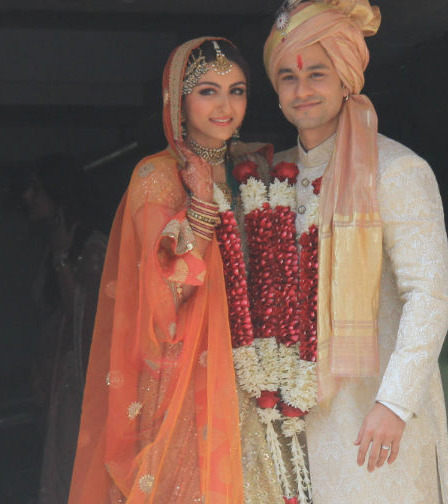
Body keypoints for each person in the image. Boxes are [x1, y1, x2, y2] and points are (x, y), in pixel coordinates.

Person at [68, 37, 282, 504]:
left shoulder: (255, 170)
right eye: (208, 91)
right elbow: (165, 291)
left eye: (237, 91)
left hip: (256, 373)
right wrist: (201, 204)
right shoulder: (159, 175)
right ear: (178, 101)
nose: (225, 106)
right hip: (186, 378)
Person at [261, 1, 448, 502]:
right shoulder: (270, 176)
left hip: (376, 425)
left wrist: (395, 403)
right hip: (290, 427)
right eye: (287, 77)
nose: (301, 90)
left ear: (346, 77)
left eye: (317, 74)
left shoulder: (395, 171)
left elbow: (429, 296)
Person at [21, 154, 107, 504]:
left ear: (59, 194)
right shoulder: (53, 247)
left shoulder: (94, 247)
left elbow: (88, 316)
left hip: (79, 385)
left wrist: (61, 260)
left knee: (76, 474)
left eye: (36, 189)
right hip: (54, 382)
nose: (27, 197)